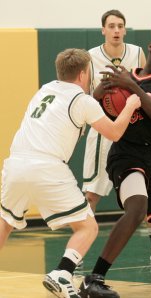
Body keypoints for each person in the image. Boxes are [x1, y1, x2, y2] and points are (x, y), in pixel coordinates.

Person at [0, 48, 141, 298]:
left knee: (4, 223)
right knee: (87, 227)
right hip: (47, 167)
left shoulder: (44, 90)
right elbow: (115, 133)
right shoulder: (82, 101)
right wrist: (130, 105)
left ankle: (62, 275)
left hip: (15, 163)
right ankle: (62, 273)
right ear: (85, 73)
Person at [79, 34, 151, 298]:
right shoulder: (122, 76)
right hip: (125, 154)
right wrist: (103, 89)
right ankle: (94, 278)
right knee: (136, 209)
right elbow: (97, 104)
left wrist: (133, 88)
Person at [82, 9, 151, 263]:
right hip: (104, 123)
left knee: (147, 185)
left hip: (136, 127)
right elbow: (87, 97)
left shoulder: (138, 52)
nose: (116, 30)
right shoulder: (90, 57)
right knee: (92, 193)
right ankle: (80, 247)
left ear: (125, 29)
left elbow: (145, 92)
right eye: (111, 26)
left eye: (120, 26)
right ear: (103, 29)